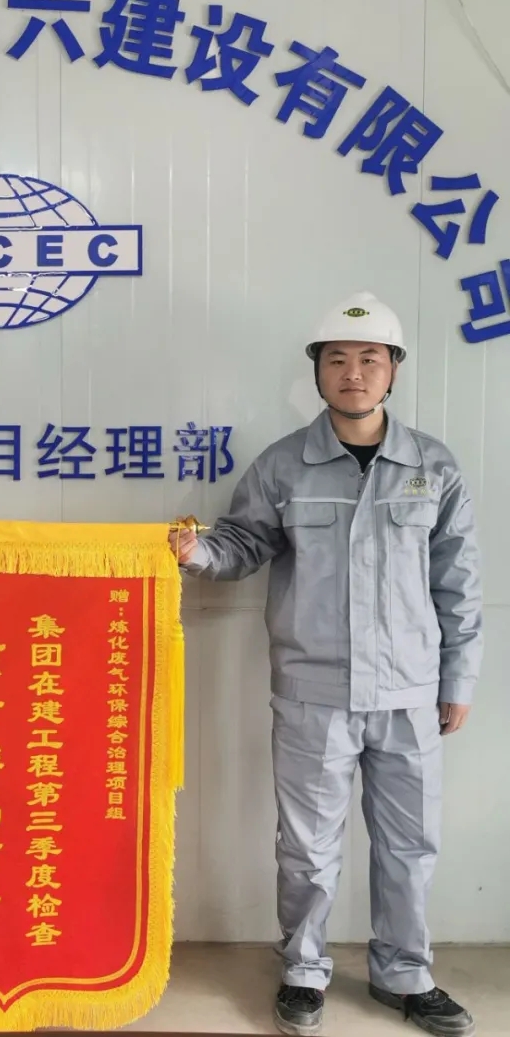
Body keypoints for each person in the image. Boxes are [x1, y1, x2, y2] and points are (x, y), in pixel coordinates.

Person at [171, 293, 481, 1037]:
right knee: (307, 849)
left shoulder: (433, 466)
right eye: (337, 359)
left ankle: (405, 972)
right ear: (316, 371)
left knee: (410, 846)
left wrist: (458, 680)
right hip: (314, 691)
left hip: (409, 693)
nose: (354, 373)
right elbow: (243, 544)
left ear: (393, 370)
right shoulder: (284, 465)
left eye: (370, 359)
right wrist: (198, 551)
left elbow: (458, 581)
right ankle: (304, 970)